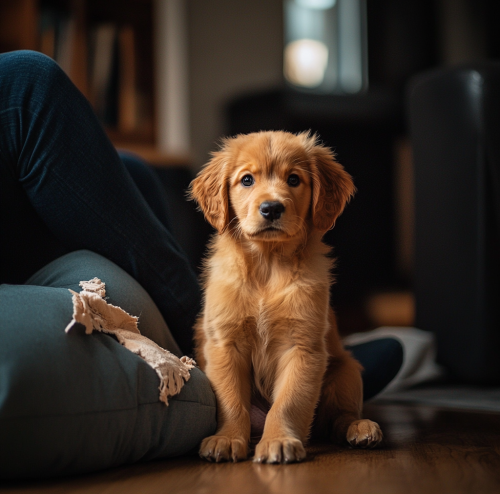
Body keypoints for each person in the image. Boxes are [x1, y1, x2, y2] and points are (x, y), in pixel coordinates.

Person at [0, 51, 402, 478]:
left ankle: (331, 413)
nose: (271, 199)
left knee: (135, 169)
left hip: (311, 365)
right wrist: (232, 424)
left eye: (293, 180)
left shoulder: (311, 265)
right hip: (227, 336)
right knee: (32, 78)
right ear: (223, 197)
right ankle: (215, 365)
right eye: (247, 180)